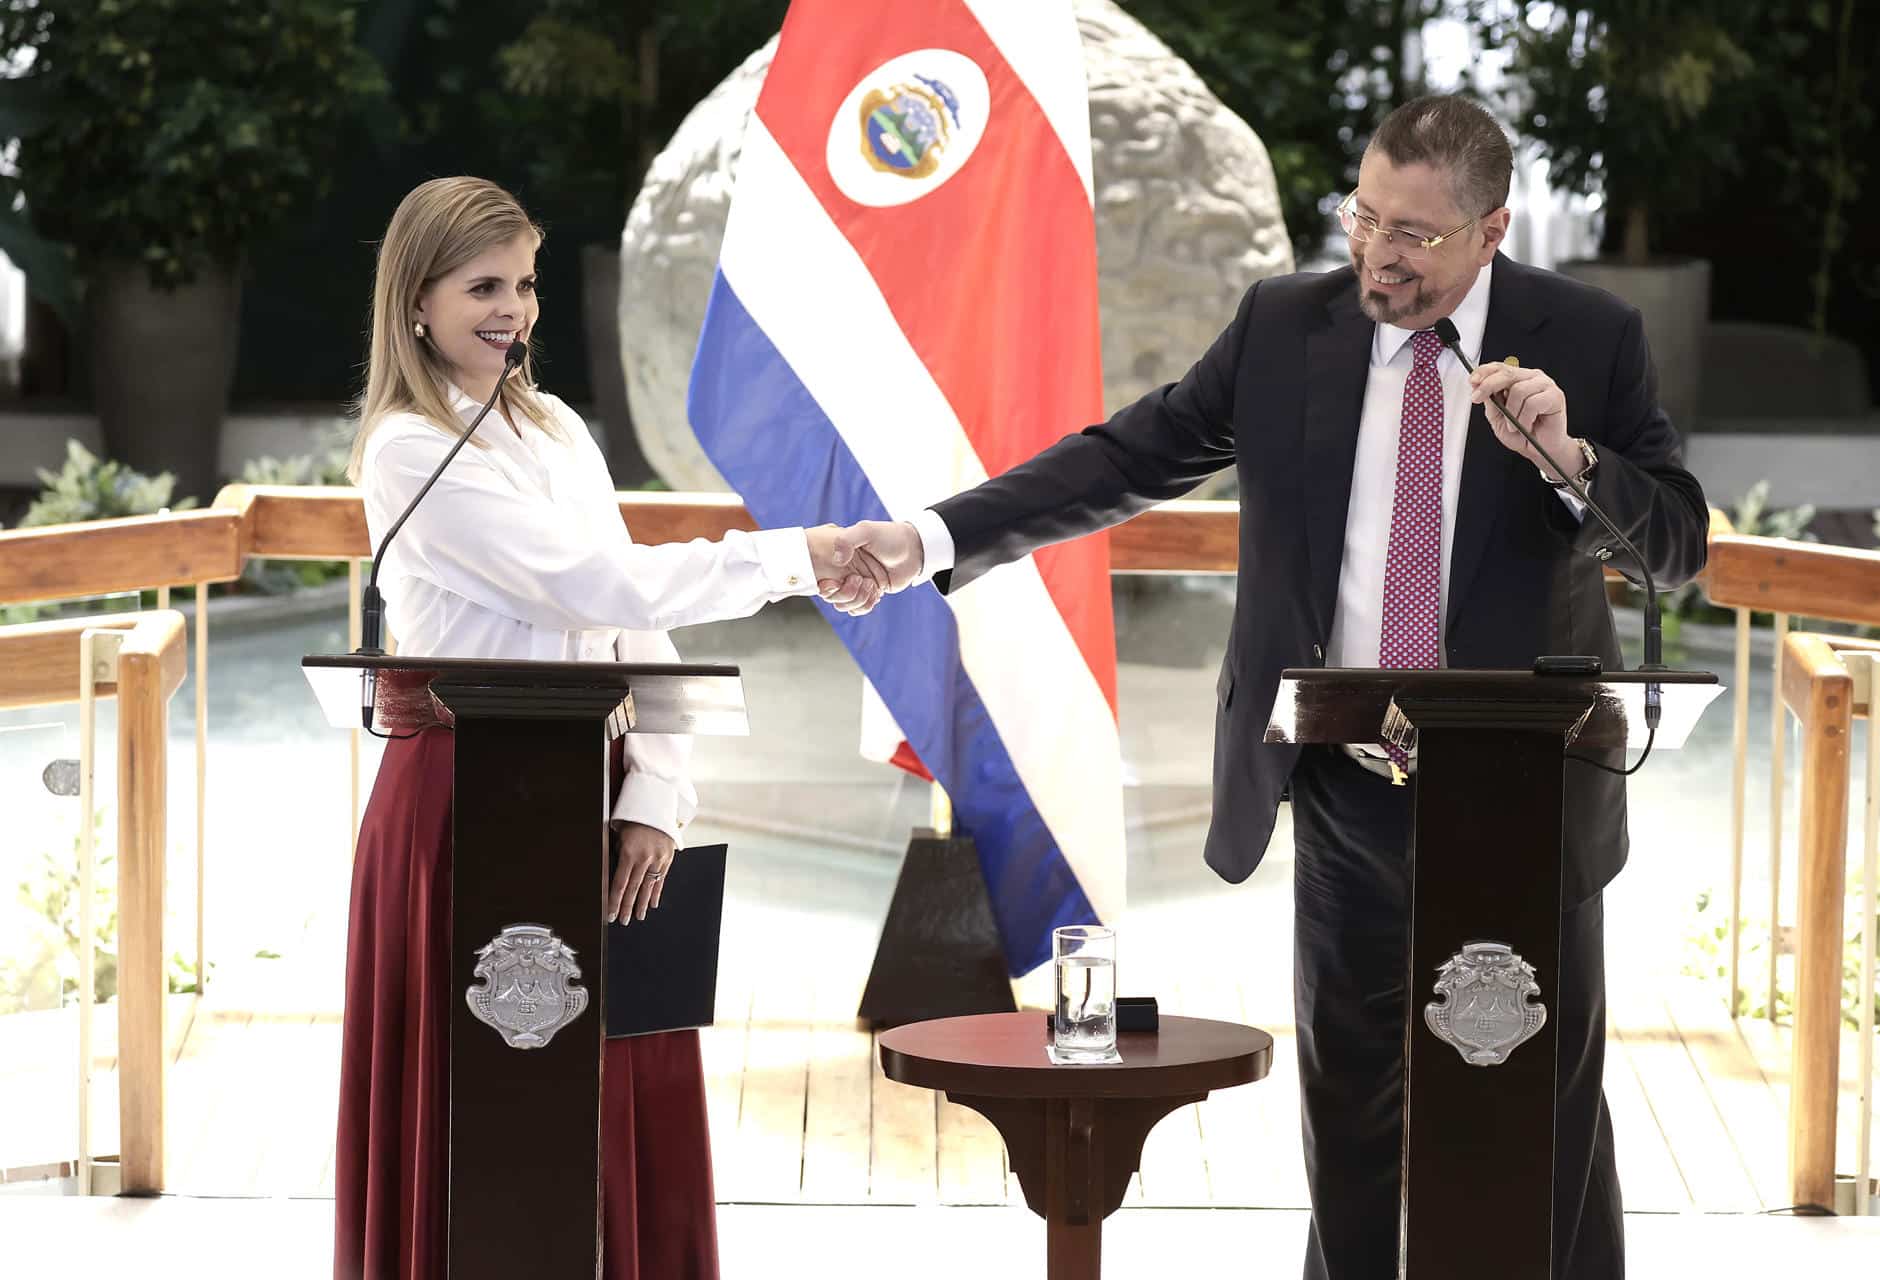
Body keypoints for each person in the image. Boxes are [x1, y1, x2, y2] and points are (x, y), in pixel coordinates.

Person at [829, 95, 1708, 1280]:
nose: (1378, 252)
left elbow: (1678, 544)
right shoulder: (1288, 326)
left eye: (1416, 233)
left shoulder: (1588, 337)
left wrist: (1576, 461)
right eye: (1366, 214)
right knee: (1349, 1112)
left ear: (1493, 230)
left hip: (1527, 792)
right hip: (1345, 773)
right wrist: (929, 538)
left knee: (1536, 1103)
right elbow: (1125, 454)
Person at [333, 176, 880, 1280]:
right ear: (417, 302)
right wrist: (791, 555)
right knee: (482, 1093)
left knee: (623, 1080)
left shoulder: (556, 426)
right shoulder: (404, 447)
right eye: (484, 284)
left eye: (526, 283)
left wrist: (654, 801)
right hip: (460, 802)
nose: (514, 309)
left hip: (596, 780)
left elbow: (640, 626)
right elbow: (590, 585)